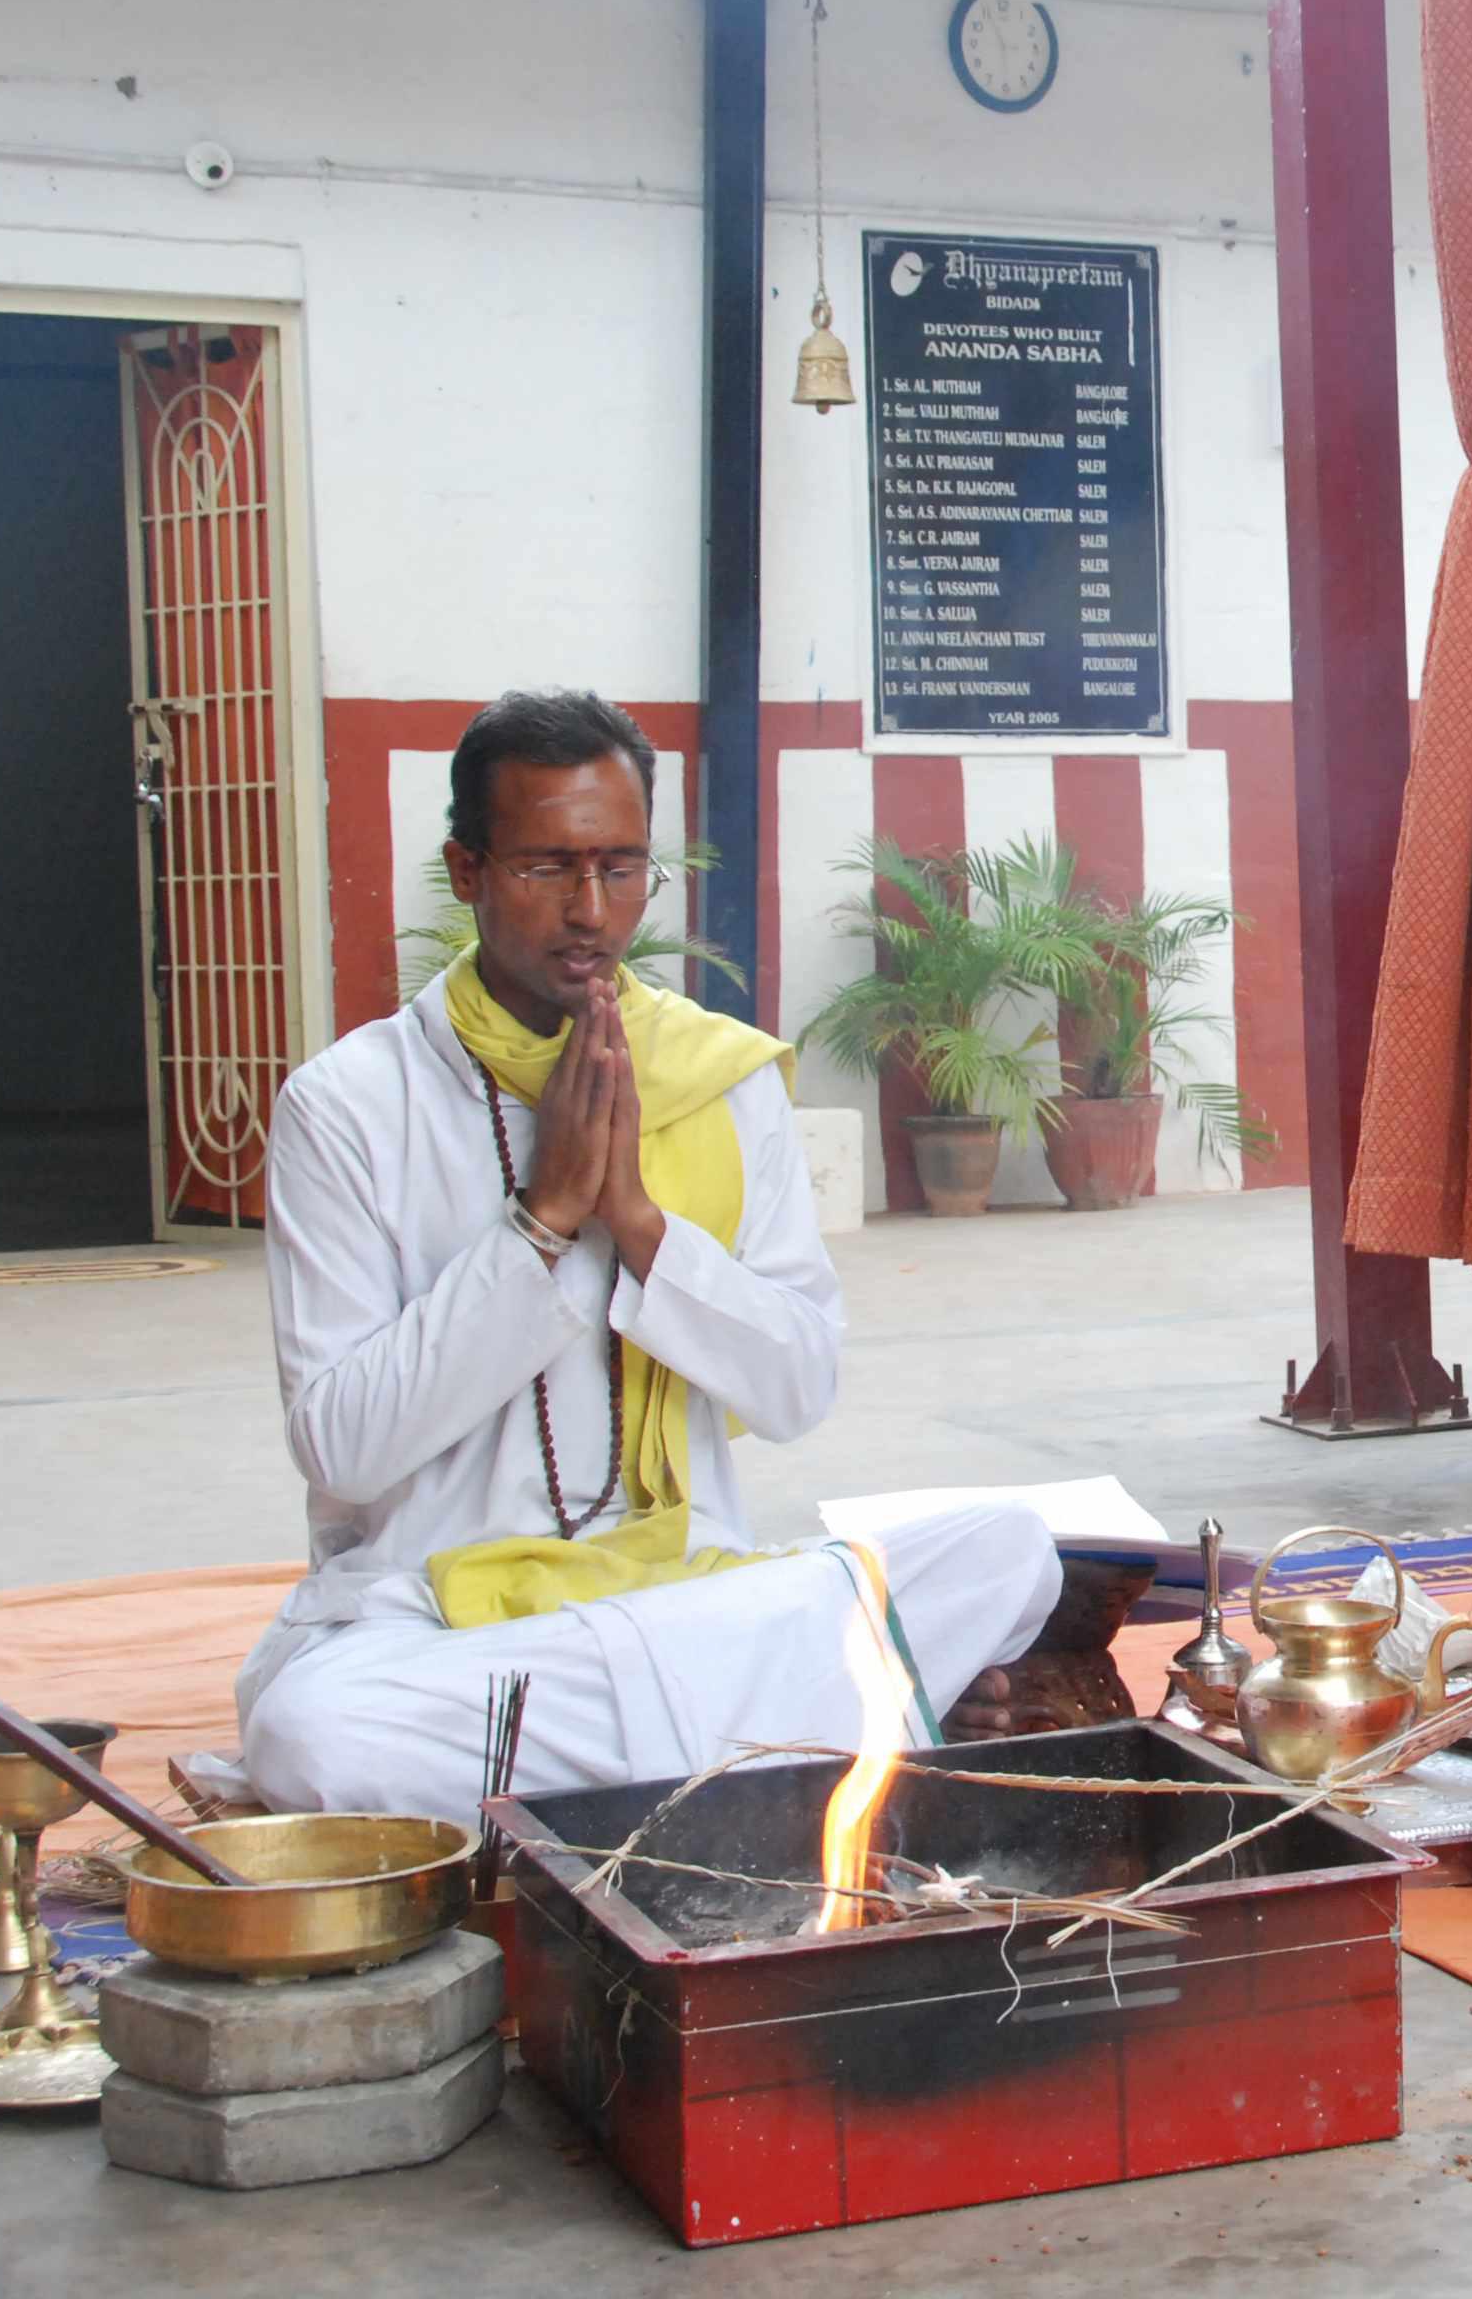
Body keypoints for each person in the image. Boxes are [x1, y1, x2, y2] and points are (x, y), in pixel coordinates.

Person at [233, 689, 1057, 1822]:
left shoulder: (717, 1079)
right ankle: (794, 1737)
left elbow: (795, 1389)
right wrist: (543, 1219)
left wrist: (640, 1225)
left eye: (621, 869)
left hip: (690, 1593)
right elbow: (343, 1448)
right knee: (315, 1735)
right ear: (467, 871)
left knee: (1010, 1549)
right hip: (439, 1621)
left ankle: (719, 1742)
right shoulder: (349, 1106)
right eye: (547, 869)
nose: (590, 912)